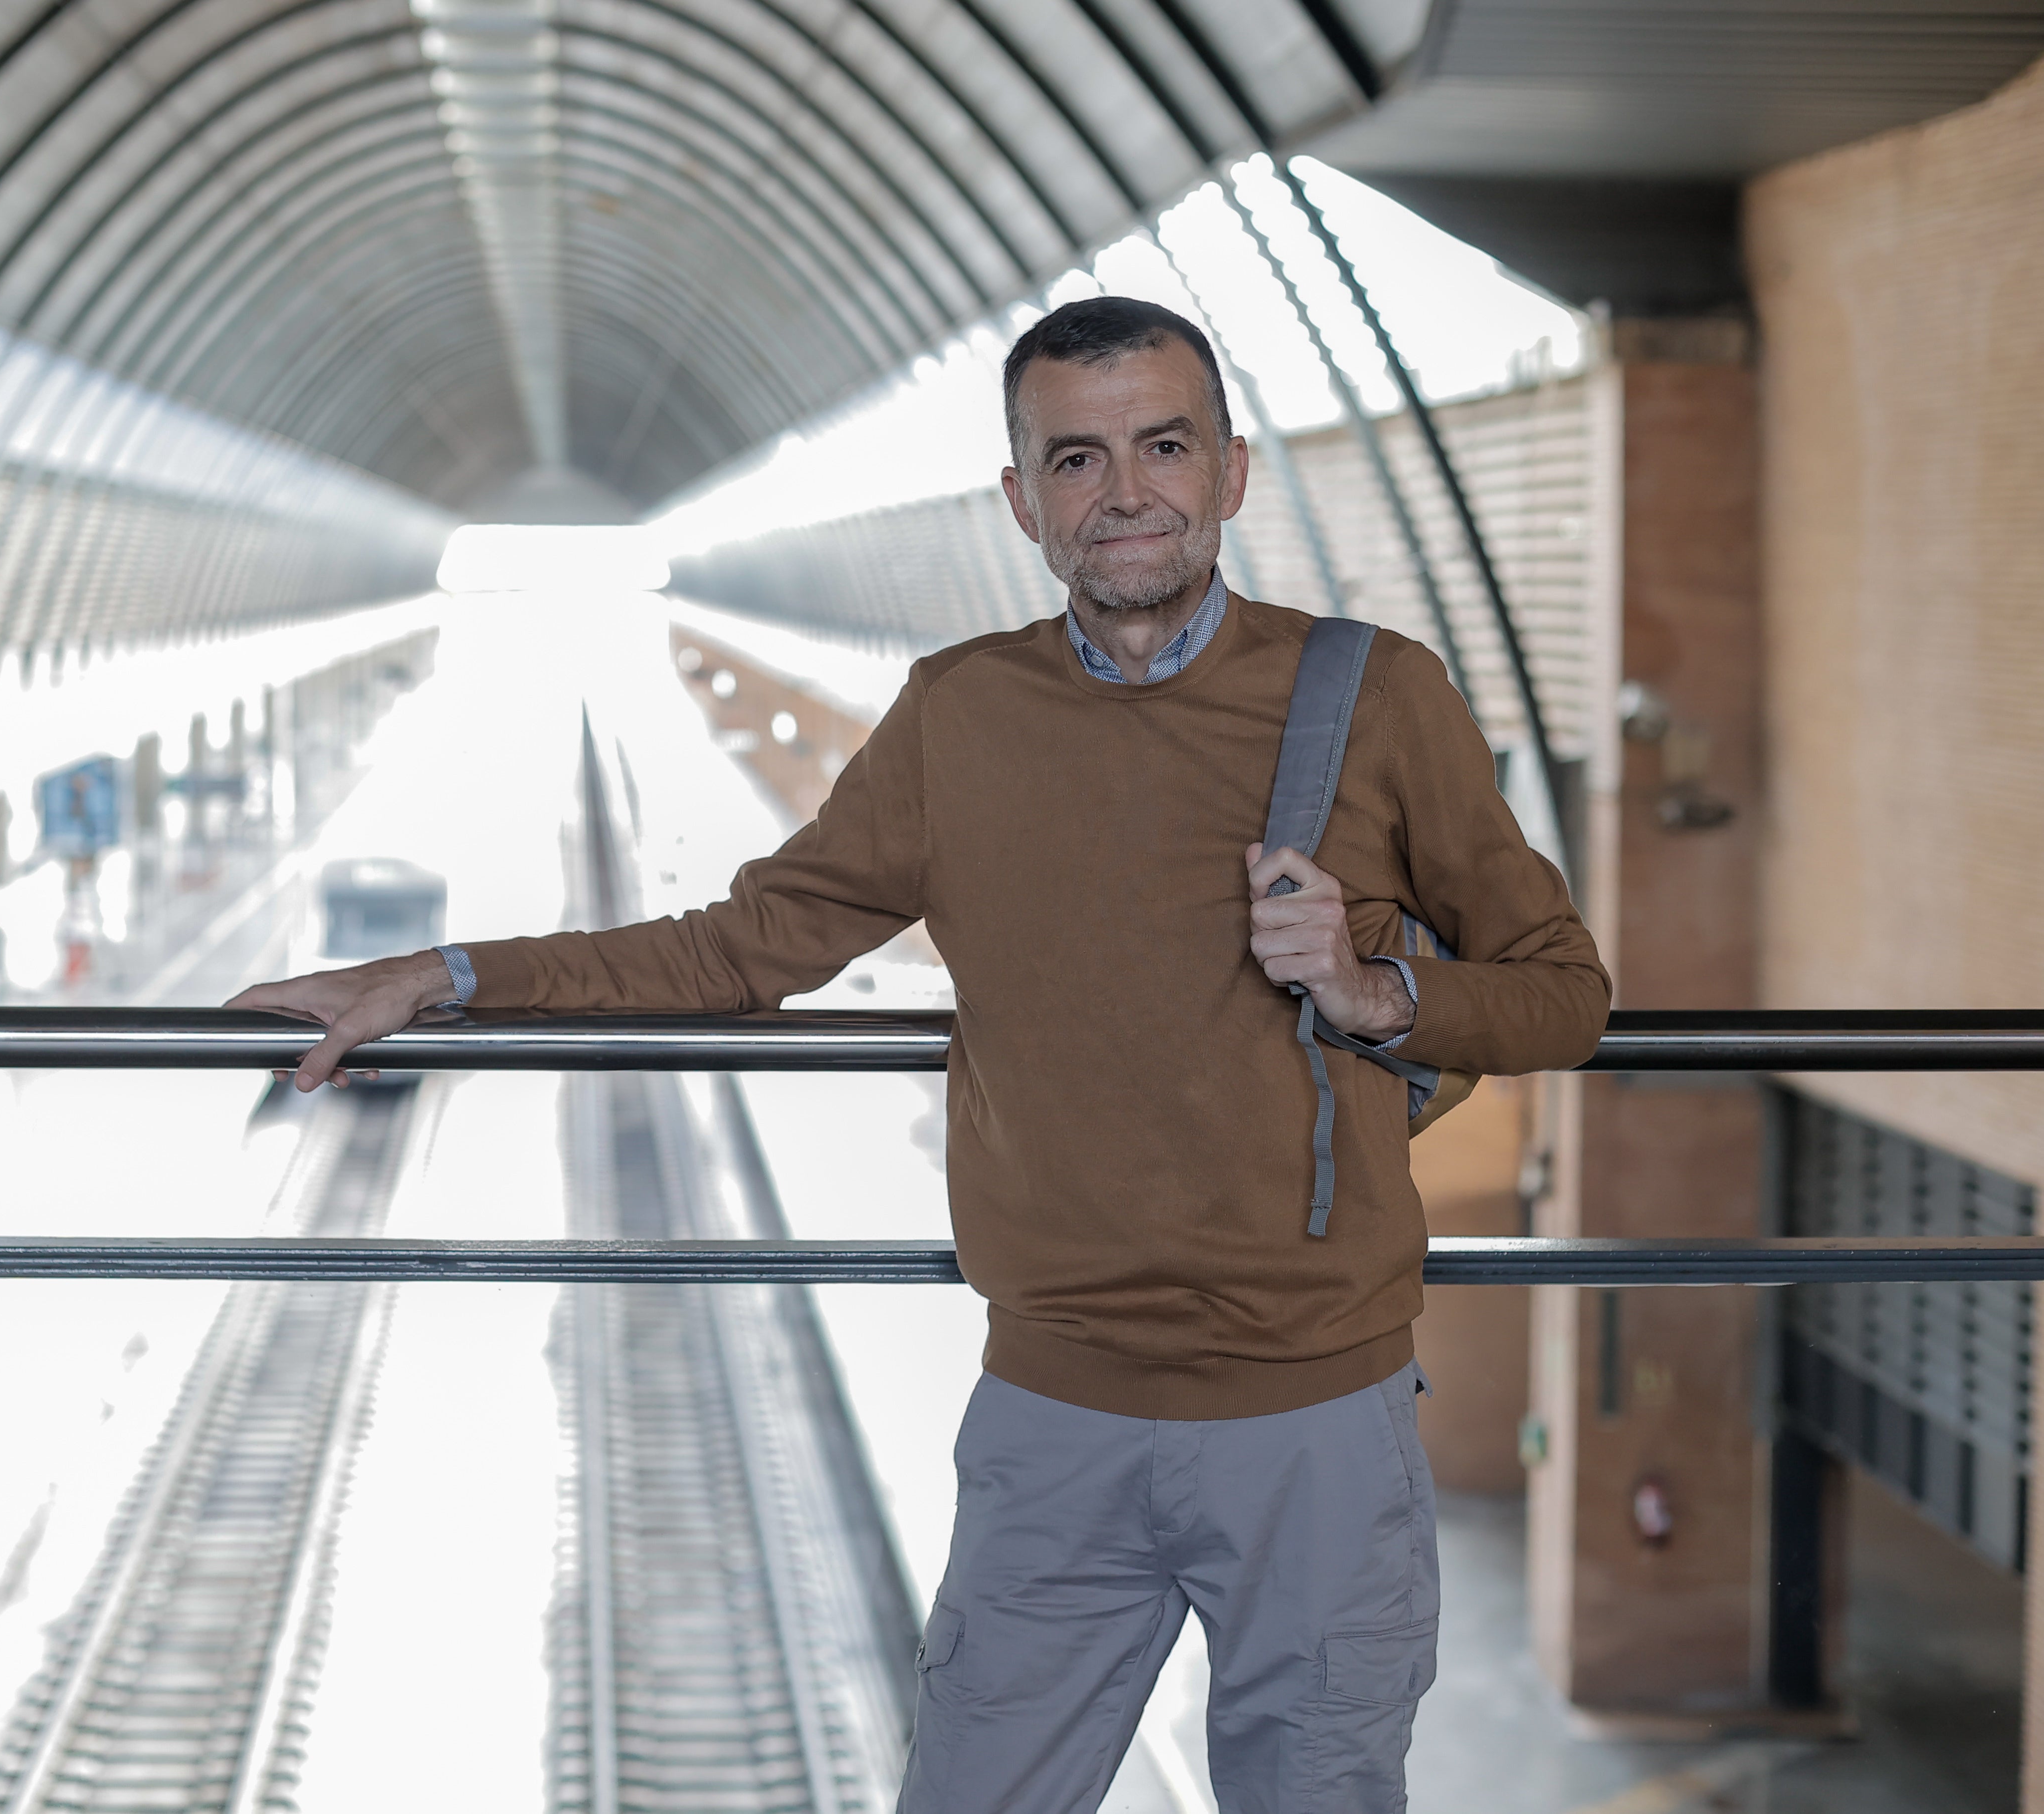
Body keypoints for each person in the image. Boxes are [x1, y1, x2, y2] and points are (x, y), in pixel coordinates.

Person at [228, 295, 1610, 1813]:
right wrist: (442, 974)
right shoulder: (962, 713)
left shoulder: (1375, 693)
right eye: (1076, 459)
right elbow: (740, 947)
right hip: (1056, 1417)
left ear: (1231, 471)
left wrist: (1374, 990)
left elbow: (1563, 994)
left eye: (1166, 445)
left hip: (1317, 1426)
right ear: (1023, 502)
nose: (1126, 491)